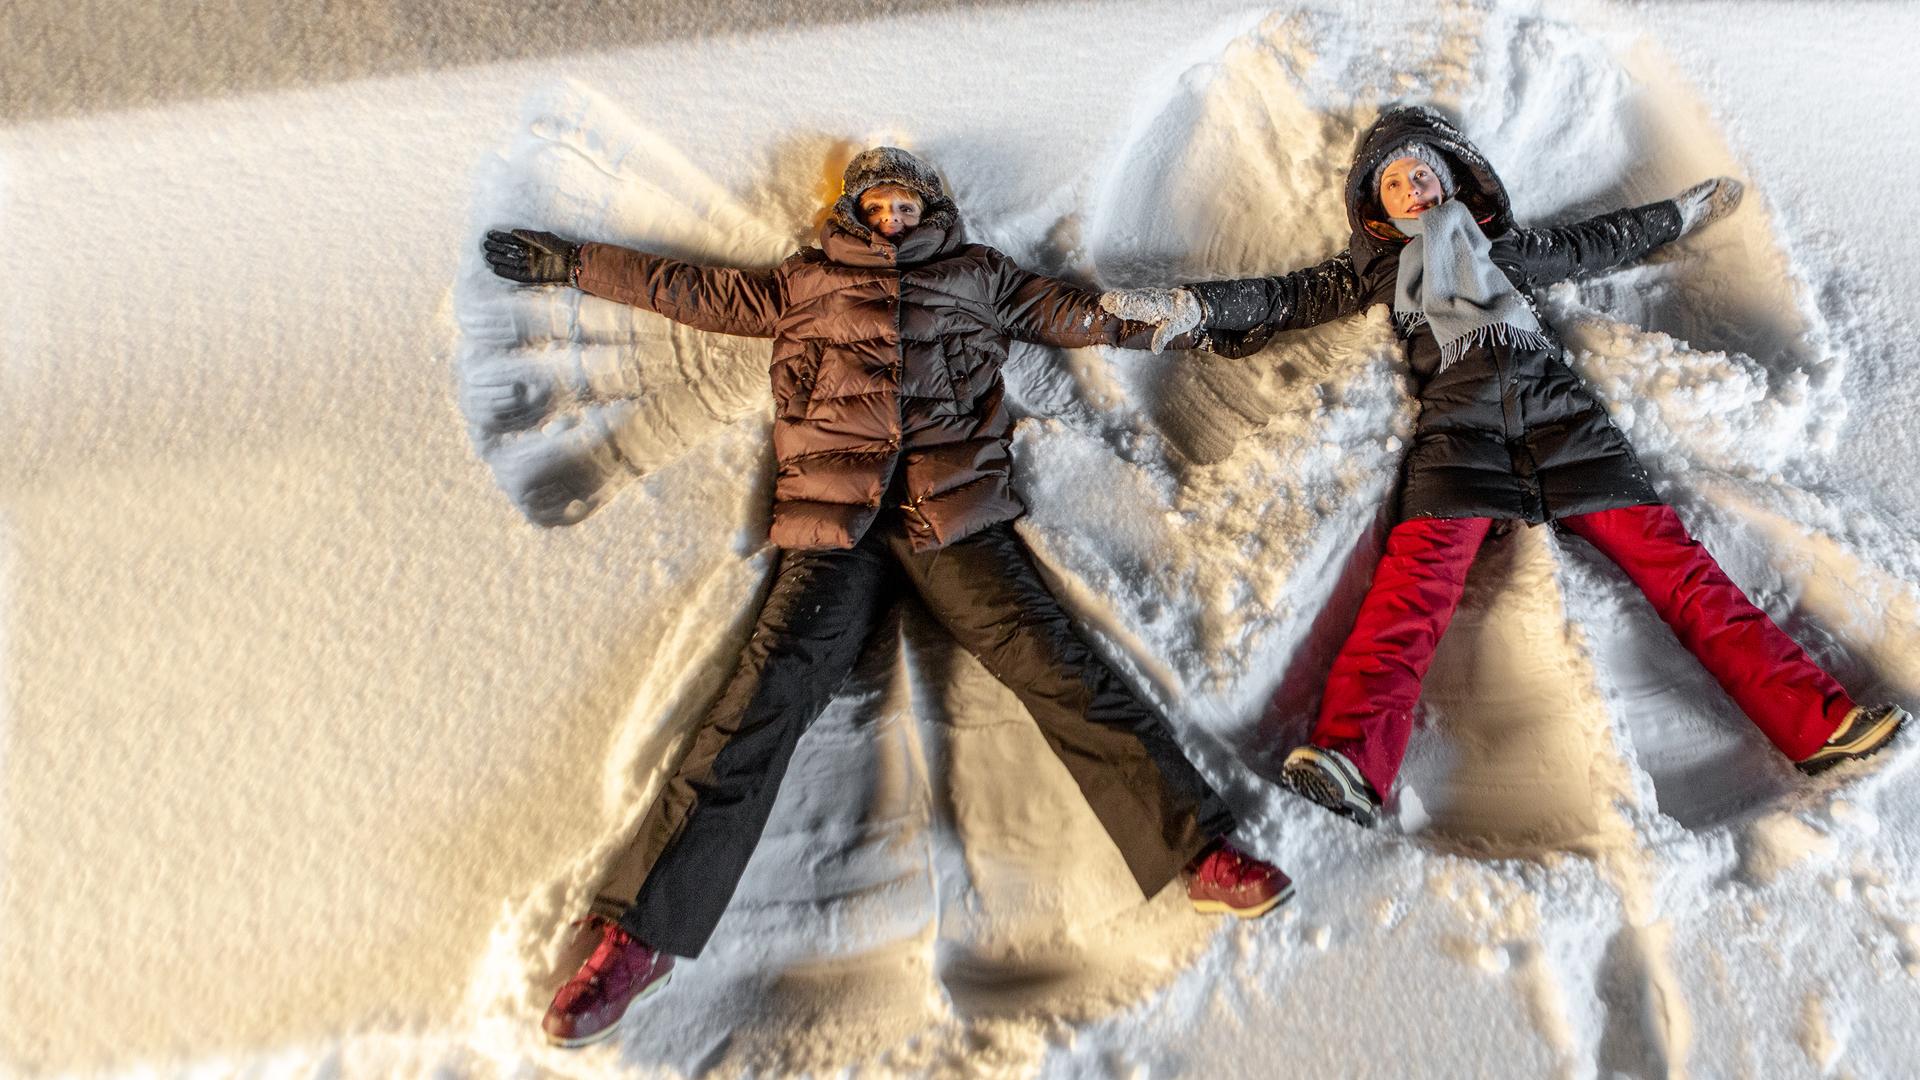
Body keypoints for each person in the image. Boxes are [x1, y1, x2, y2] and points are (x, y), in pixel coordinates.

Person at [482, 146, 1292, 1048]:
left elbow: (1092, 315)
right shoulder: (805, 285)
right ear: (856, 210)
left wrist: (1208, 312)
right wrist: (571, 263)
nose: (896, 217)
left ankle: (1199, 852)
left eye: (910, 204)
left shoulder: (978, 280)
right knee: (758, 704)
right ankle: (638, 939)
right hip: (834, 539)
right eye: (880, 204)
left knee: (1060, 668)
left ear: (932, 208)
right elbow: (684, 288)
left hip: (957, 529)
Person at [1102, 105, 1909, 829]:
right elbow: (1276, 299)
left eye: (1426, 173)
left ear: (1454, 183)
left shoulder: (1511, 252)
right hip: (1460, 434)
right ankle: (1351, 759)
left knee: (1681, 571)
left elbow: (1606, 241)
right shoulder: (1372, 273)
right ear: (1374, 208)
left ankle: (1817, 725)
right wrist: (1189, 311)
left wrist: (1681, 213)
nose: (1414, 188)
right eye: (1395, 183)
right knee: (1412, 592)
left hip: (1569, 425)